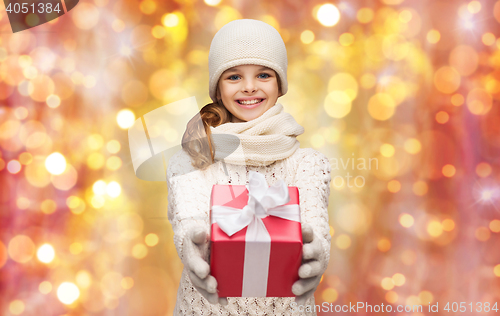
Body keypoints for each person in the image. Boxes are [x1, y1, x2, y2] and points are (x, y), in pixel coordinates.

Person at [166, 19, 332, 315]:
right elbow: (187, 222)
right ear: (217, 87)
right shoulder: (190, 161)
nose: (250, 87)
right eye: (234, 77)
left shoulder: (308, 163)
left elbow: (314, 227)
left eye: (264, 74)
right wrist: (192, 247)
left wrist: (317, 254)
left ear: (280, 84)